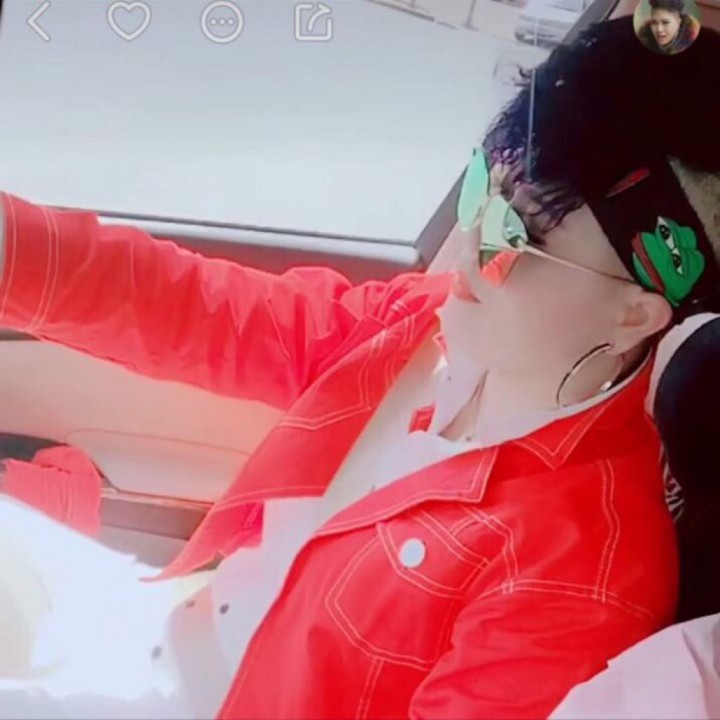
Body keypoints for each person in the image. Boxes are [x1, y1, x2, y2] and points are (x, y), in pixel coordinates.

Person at [1, 14, 720, 719]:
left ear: (634, 315)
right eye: (483, 187)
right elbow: (197, 309)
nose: (469, 239)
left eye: (515, 234)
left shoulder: (579, 579)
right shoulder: (422, 329)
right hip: (170, 632)